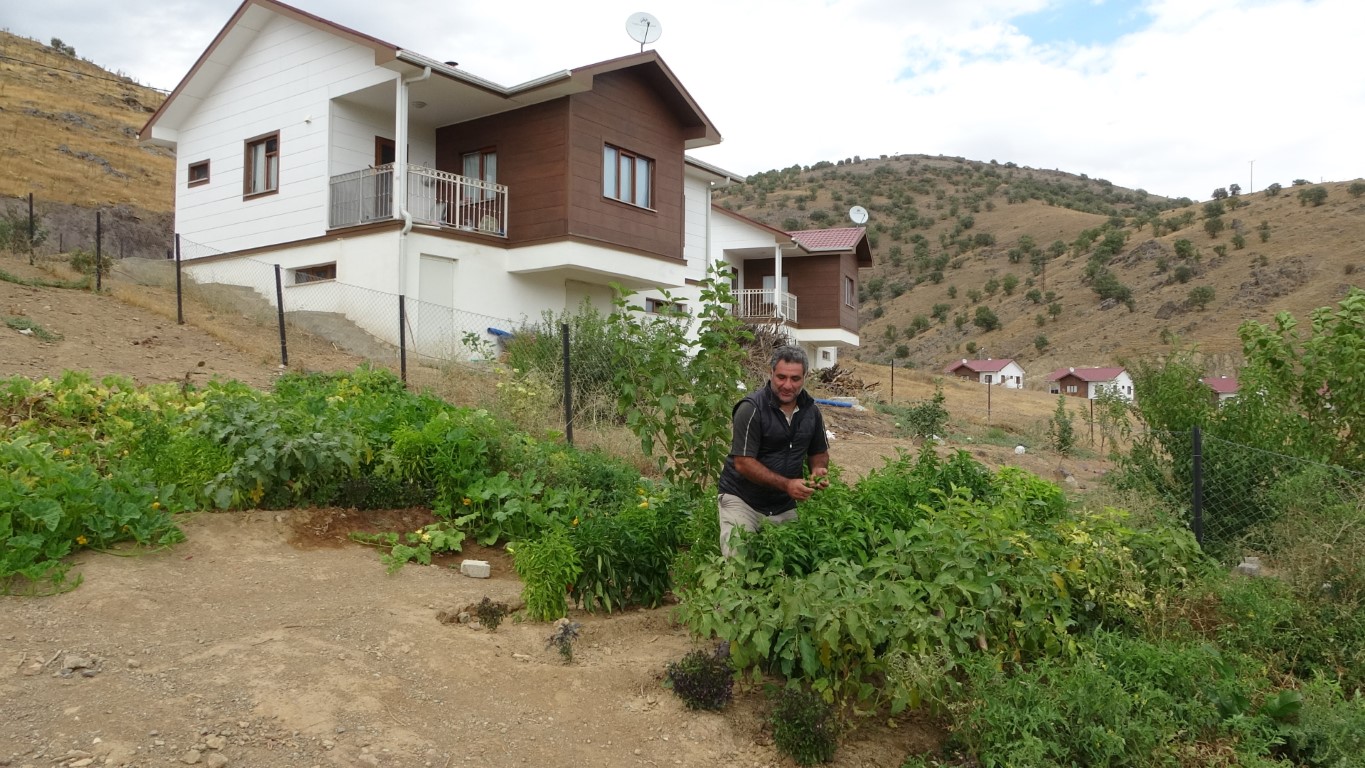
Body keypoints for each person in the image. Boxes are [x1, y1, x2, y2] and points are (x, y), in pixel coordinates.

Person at [717, 346, 830, 557]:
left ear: (805, 377)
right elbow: (742, 462)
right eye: (781, 377)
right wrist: (787, 484)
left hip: (782, 503)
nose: (787, 385)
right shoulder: (751, 409)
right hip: (742, 499)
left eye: (795, 379)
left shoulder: (811, 411)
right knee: (738, 559)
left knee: (791, 562)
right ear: (771, 374)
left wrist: (818, 470)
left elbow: (819, 452)